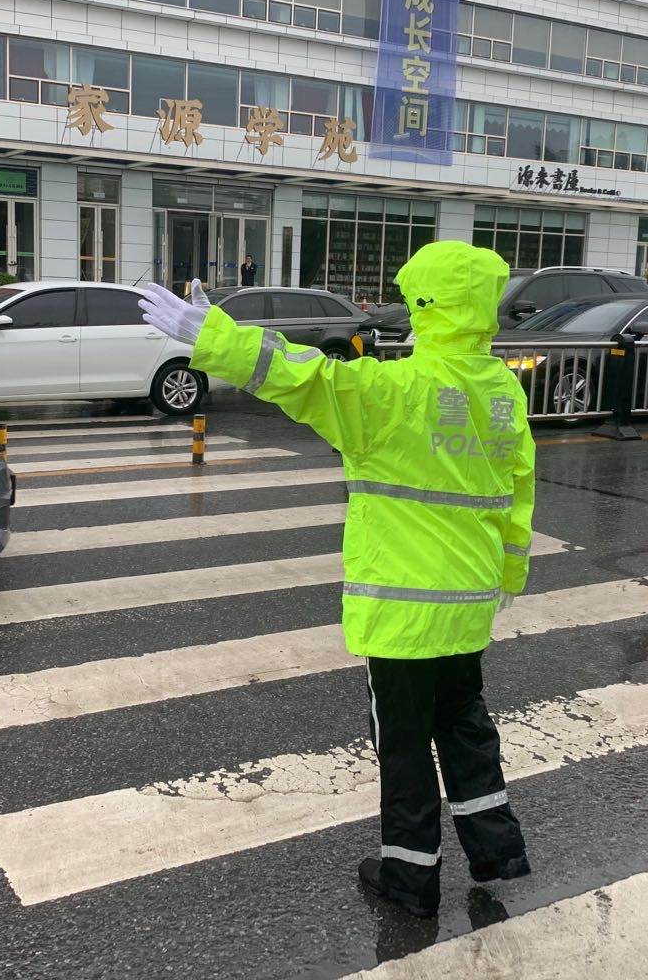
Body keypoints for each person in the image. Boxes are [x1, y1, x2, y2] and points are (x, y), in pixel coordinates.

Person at [138, 241, 534, 918]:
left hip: (405, 612)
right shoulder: (502, 392)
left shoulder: (393, 392)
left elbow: (302, 377)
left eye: (414, 302)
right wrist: (505, 580)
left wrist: (211, 336)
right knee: (465, 725)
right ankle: (496, 850)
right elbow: (518, 495)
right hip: (469, 604)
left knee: (404, 744)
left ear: (429, 308)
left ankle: (410, 878)